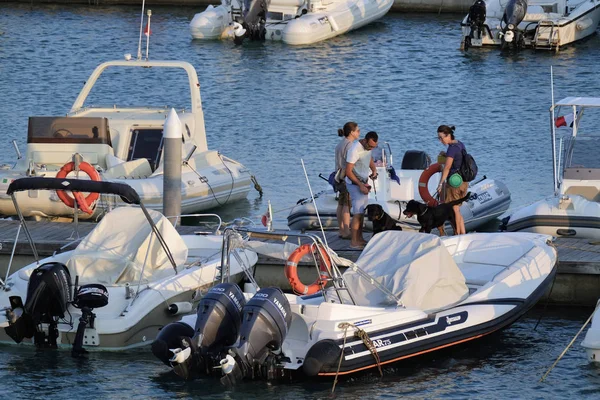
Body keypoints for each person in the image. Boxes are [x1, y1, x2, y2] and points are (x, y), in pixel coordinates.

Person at [345, 131, 378, 248]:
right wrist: (360, 185)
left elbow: (369, 159)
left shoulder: (368, 148)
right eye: (369, 146)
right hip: (354, 184)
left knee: (362, 213)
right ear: (365, 140)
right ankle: (354, 242)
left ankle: (360, 238)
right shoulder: (354, 150)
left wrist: (374, 170)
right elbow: (348, 171)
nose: (371, 148)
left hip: (364, 183)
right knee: (357, 213)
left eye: (374, 147)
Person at [437, 125, 468, 235]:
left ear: (448, 135)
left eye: (441, 138)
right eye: (438, 138)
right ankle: (463, 233)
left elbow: (447, 167)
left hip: (455, 183)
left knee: (455, 210)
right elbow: (458, 159)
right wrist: (446, 155)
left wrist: (440, 184)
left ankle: (459, 235)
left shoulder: (451, 149)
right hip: (464, 181)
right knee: (457, 210)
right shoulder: (459, 144)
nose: (440, 140)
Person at [335, 122, 360, 239]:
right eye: (357, 131)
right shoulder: (350, 145)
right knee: (347, 204)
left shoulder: (340, 144)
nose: (359, 133)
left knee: (340, 203)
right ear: (352, 132)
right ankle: (346, 231)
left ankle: (341, 230)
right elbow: (351, 163)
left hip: (338, 176)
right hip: (346, 177)